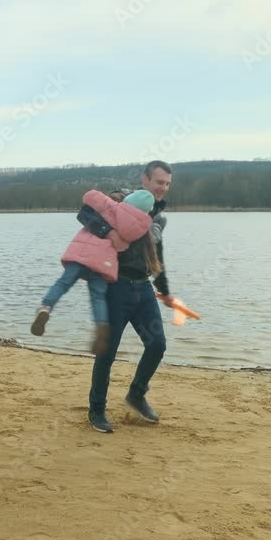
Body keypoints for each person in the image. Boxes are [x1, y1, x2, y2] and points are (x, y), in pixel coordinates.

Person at [75, 160, 175, 433]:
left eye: (167, 184)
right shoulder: (120, 199)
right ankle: (96, 410)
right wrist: (110, 233)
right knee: (106, 353)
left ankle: (136, 395)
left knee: (157, 345)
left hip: (143, 289)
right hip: (115, 287)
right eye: (159, 182)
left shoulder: (160, 217)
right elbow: (84, 213)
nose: (163, 188)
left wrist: (164, 290)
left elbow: (157, 256)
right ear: (145, 180)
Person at [32, 189, 157, 354]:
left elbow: (89, 198)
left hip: (81, 255)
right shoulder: (132, 226)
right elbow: (125, 245)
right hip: (102, 263)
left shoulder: (106, 208)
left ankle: (45, 307)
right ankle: (101, 325)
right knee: (98, 297)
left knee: (63, 283)